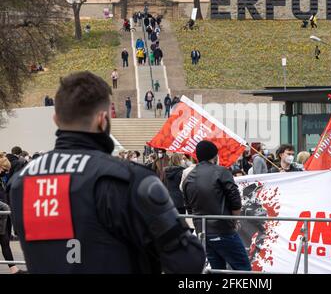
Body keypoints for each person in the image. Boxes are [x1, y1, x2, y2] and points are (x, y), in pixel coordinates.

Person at [7, 71, 205, 273]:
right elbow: (188, 260)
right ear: (103, 120)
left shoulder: (20, 182)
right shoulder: (130, 179)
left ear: (56, 119)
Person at [182, 140, 251, 271]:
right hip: (223, 228)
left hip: (202, 231)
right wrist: (233, 220)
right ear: (215, 156)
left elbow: (188, 207)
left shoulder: (188, 178)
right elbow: (235, 200)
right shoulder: (221, 171)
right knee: (243, 268)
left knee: (216, 268)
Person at [0, 155, 21, 274]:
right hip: (2, 213)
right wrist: (5, 206)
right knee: (4, 241)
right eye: (4, 170)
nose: (6, 172)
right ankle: (14, 269)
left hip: (3, 216)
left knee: (5, 241)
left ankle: (13, 269)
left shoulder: (1, 179)